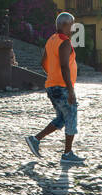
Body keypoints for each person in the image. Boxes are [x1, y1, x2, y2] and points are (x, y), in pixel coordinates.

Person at [25, 12, 84, 165]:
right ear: (65, 25)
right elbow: (64, 67)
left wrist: (52, 75)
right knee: (71, 116)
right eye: (71, 24)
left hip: (52, 86)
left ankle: (35, 139)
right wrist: (70, 90)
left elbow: (43, 62)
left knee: (61, 119)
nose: (73, 28)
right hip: (62, 87)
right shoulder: (64, 42)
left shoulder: (51, 40)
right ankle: (67, 154)